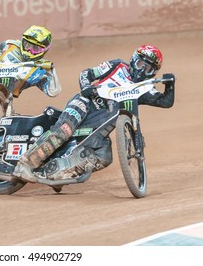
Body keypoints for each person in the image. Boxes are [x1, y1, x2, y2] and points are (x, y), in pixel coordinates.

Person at [13, 44, 176, 182]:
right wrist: (85, 88)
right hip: (85, 104)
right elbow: (87, 74)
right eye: (141, 64)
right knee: (64, 130)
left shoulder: (145, 88)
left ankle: (54, 172)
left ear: (153, 73)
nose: (142, 71)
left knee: (105, 155)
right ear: (134, 60)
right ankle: (25, 165)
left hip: (100, 124)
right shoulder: (117, 65)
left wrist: (170, 85)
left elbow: (165, 102)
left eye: (148, 69)